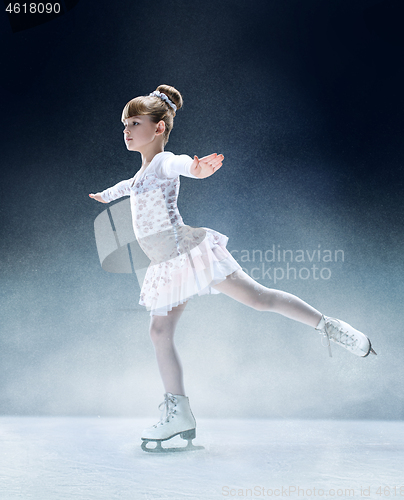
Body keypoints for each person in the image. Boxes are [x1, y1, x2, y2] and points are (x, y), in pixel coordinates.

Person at [89, 84, 377, 452]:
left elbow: (180, 165)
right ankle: (178, 412)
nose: (126, 130)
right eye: (124, 124)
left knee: (258, 298)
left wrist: (195, 168)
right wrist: (104, 195)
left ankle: (331, 327)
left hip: (186, 253)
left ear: (158, 128)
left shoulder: (163, 162)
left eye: (134, 122)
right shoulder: (142, 174)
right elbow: (125, 187)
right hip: (165, 264)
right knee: (159, 332)